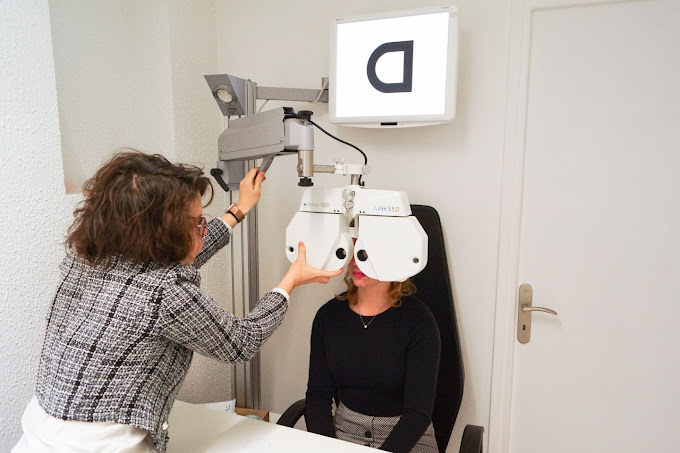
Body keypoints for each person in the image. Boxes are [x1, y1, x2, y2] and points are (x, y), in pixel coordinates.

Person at [13, 151, 342, 453]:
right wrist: (289, 281)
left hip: (38, 433)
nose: (202, 228)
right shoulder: (163, 292)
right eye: (197, 222)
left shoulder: (90, 258)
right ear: (163, 234)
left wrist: (239, 209)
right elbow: (240, 342)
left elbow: (176, 260)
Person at [305, 249, 441, 453]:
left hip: (407, 437)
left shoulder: (419, 321)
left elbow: (417, 414)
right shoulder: (328, 316)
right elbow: (318, 396)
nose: (357, 262)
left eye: (366, 253)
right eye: (353, 251)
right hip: (345, 432)